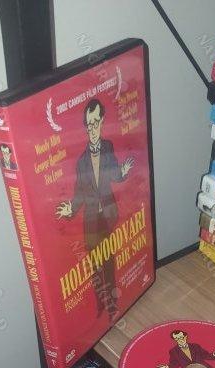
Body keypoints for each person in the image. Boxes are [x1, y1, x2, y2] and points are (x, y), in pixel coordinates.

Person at [56, 98, 134, 320]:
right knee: (94, 264)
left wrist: (123, 172)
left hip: (107, 215)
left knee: (108, 261)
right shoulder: (81, 161)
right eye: (88, 124)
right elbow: (79, 193)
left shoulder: (108, 147)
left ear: (102, 121)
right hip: (90, 220)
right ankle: (100, 305)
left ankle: (113, 307)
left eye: (96, 122)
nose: (92, 128)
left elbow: (114, 173)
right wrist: (70, 210)